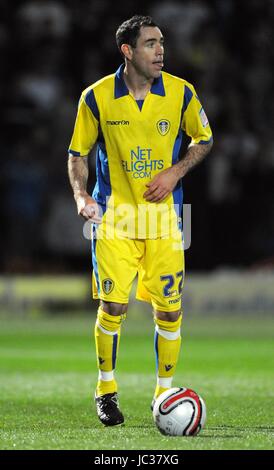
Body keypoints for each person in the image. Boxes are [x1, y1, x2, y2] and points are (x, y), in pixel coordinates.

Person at [68, 15, 213, 426]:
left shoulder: (181, 94)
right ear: (127, 51)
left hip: (166, 222)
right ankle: (106, 391)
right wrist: (81, 195)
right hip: (114, 219)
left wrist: (174, 172)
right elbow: (77, 153)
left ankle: (164, 395)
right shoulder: (95, 97)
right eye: (150, 43)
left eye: (161, 42)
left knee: (169, 312)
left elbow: (204, 138)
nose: (161, 50)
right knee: (112, 305)